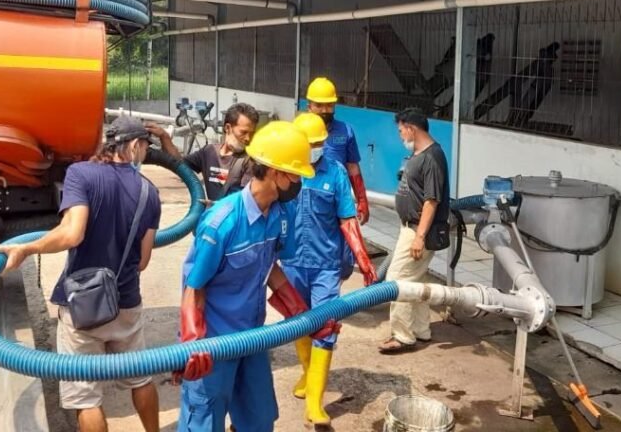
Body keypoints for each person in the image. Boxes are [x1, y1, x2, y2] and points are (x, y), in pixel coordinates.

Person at [0, 116, 161, 432]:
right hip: (126, 301)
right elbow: (142, 261)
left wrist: (27, 248)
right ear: (134, 145)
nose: (145, 154)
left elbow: (72, 234)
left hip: (83, 307)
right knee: (140, 378)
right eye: (144, 147)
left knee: (86, 397)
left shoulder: (81, 174)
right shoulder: (149, 192)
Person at [174, 121, 339, 432]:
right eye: (296, 175)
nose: (300, 183)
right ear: (276, 173)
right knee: (204, 423)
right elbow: (194, 287)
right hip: (214, 343)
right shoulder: (222, 223)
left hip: (253, 337)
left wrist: (304, 317)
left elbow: (269, 267)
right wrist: (191, 341)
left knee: (260, 419)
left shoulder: (279, 213)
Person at [283, 112, 378, 429]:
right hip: (291, 263)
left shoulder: (335, 172)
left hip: (325, 265)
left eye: (319, 143)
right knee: (297, 324)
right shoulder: (285, 171)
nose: (316, 149)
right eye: (310, 144)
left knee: (324, 328)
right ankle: (308, 374)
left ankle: (314, 402)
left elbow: (347, 220)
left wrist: (363, 259)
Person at [379, 107, 450, 355]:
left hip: (418, 230)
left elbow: (432, 200)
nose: (400, 136)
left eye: (401, 131)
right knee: (416, 280)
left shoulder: (432, 157)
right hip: (410, 227)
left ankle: (402, 336)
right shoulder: (419, 154)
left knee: (397, 279)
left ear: (411, 128)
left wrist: (419, 237)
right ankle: (421, 330)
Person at [151, 102, 259, 203]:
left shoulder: (250, 162)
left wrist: (214, 206)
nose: (248, 138)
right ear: (228, 128)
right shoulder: (209, 152)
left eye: (251, 133)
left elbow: (245, 202)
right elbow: (179, 164)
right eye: (243, 132)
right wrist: (164, 138)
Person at [305, 77, 370, 225]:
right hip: (306, 198)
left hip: (336, 200)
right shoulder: (298, 130)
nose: (324, 110)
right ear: (309, 106)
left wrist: (362, 200)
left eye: (329, 105)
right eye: (319, 105)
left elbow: (352, 167)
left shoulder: (345, 131)